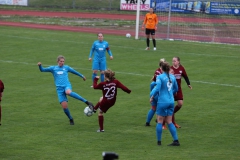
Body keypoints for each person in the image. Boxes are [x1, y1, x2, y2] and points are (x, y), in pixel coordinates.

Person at [38, 55, 94, 125]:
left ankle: (87, 102)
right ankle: (71, 119)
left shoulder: (66, 68)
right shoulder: (53, 68)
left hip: (66, 86)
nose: (62, 63)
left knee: (68, 92)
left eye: (63, 61)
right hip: (59, 90)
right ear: (57, 61)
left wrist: (82, 76)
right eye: (61, 61)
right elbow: (42, 70)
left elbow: (74, 71)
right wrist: (40, 66)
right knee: (64, 107)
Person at [150, 62, 180, 146]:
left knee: (160, 121)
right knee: (169, 121)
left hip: (162, 101)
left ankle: (159, 142)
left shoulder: (160, 77)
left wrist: (152, 97)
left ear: (161, 69)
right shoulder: (173, 77)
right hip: (171, 101)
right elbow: (176, 89)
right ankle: (176, 140)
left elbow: (157, 88)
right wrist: (169, 93)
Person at [170, 56, 192, 128]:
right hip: (171, 89)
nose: (174, 62)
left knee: (180, 104)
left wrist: (188, 84)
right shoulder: (170, 69)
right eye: (173, 61)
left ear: (178, 61)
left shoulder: (181, 68)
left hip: (178, 89)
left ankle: (168, 115)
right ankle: (172, 122)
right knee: (171, 105)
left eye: (175, 61)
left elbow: (185, 76)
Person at [145, 58, 166, 128]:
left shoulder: (157, 71)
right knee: (162, 108)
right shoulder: (164, 74)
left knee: (153, 108)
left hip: (153, 92)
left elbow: (153, 83)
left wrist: (152, 93)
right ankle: (160, 121)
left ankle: (147, 122)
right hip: (158, 93)